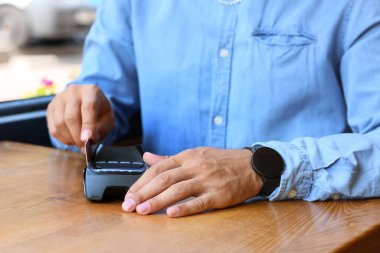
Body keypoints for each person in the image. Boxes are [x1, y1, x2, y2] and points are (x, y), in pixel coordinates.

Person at [47, 0, 380, 217]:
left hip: (298, 231)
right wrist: (79, 116)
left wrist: (260, 168)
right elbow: (100, 103)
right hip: (153, 226)